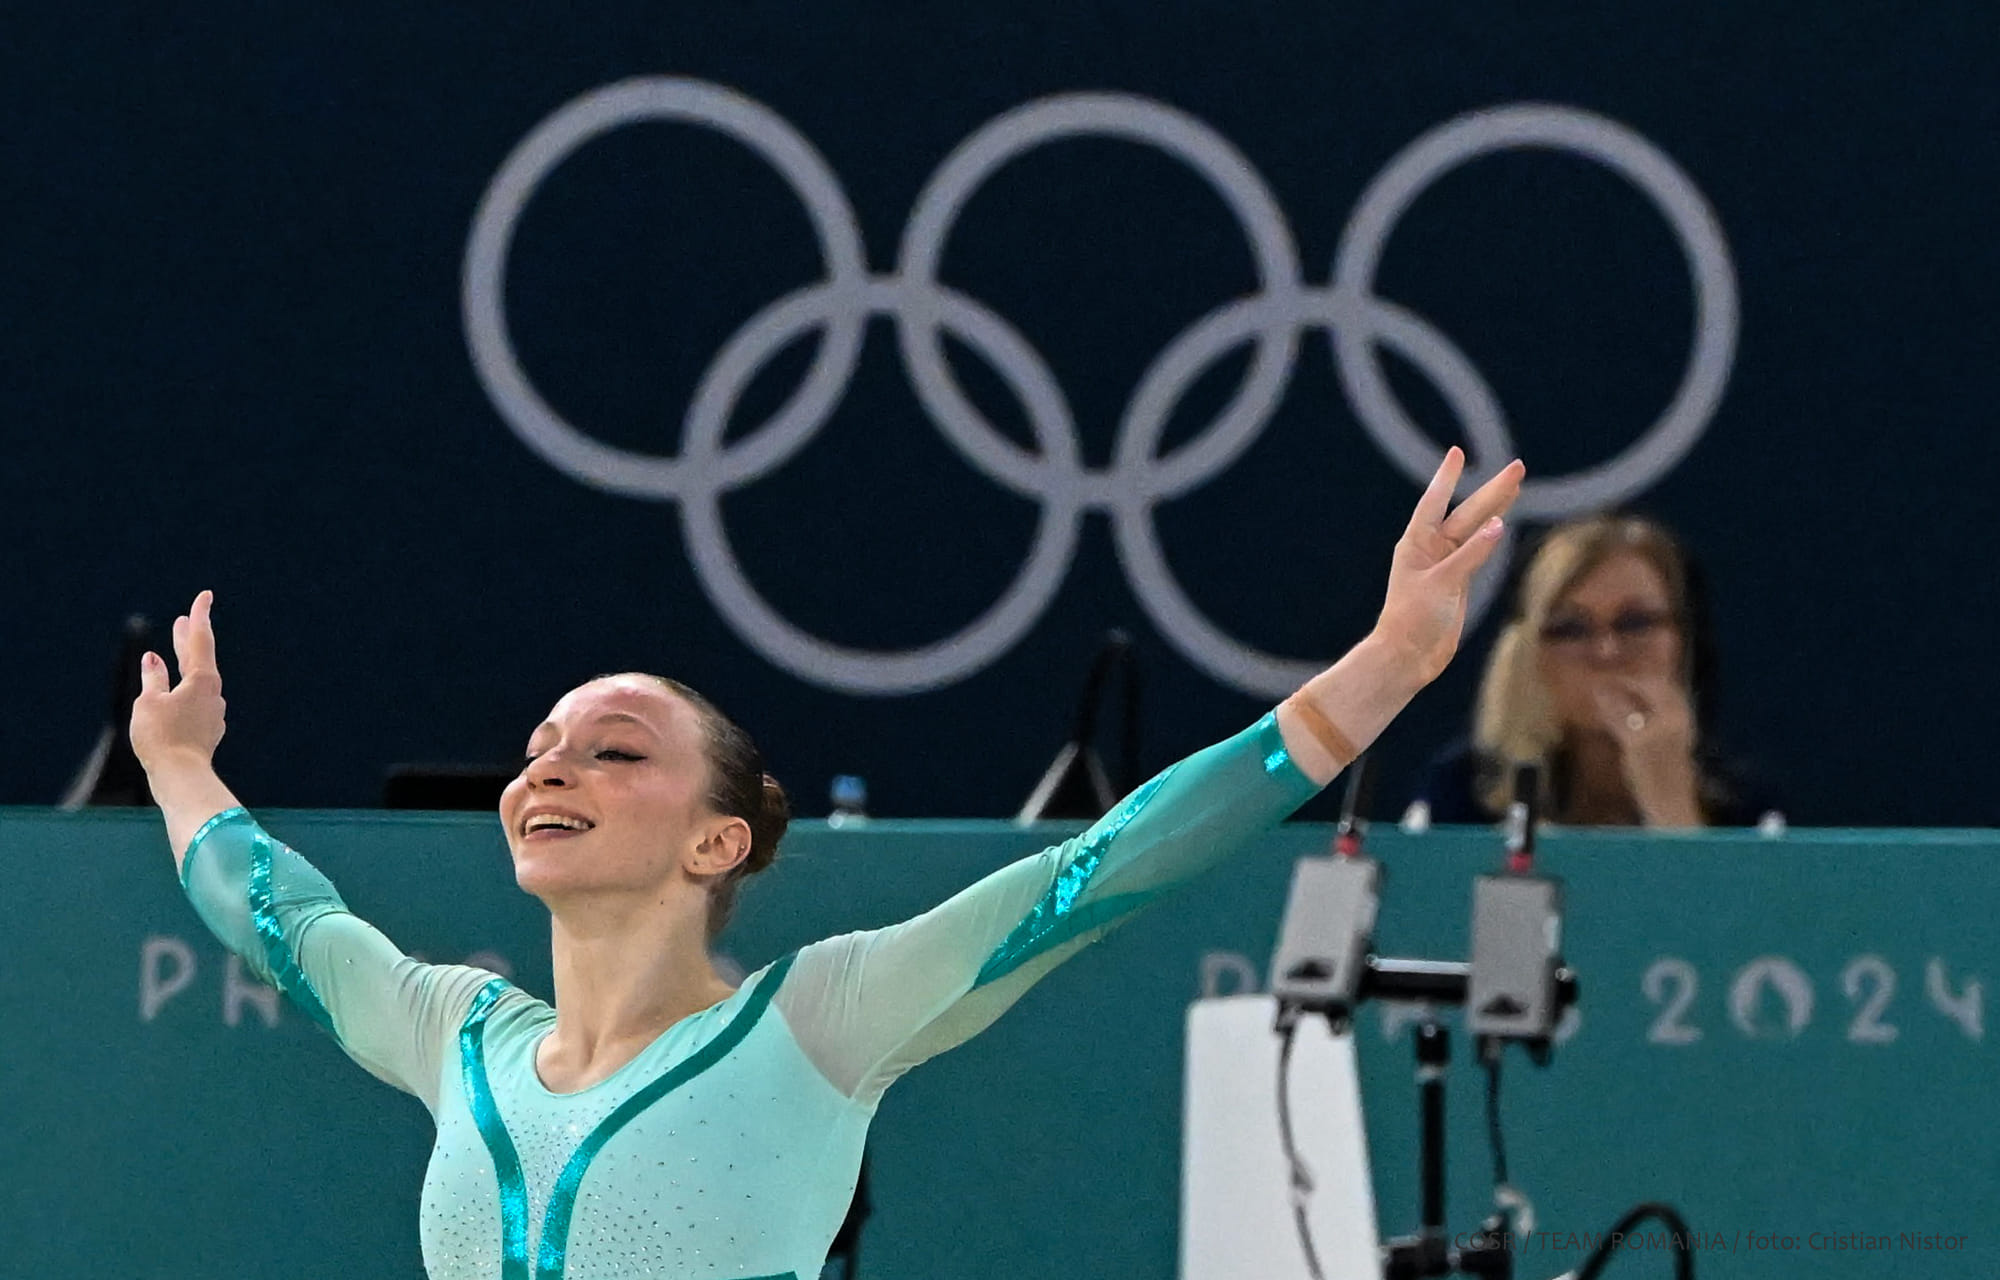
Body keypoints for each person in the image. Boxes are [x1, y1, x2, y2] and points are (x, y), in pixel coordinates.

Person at [132, 449, 1523, 1280]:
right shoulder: (459, 1037)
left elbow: (1102, 869)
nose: (548, 770)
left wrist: (1390, 664)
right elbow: (274, 913)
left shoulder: (813, 1024)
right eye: (542, 748)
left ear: (717, 840)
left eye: (614, 753)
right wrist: (179, 761)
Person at [1405, 512, 1780, 828]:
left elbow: (1727, 916)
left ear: (1681, 642)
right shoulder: (1462, 793)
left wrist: (1672, 807)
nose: (1606, 651)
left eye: (1634, 623)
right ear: (1528, 655)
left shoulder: (1746, 808)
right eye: (1571, 628)